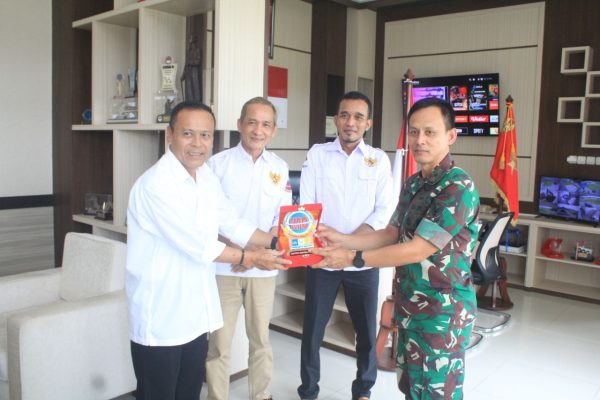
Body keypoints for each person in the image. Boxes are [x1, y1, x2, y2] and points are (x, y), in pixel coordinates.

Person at [312, 97, 481, 399]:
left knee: (435, 393)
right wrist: (342, 239)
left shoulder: (457, 187)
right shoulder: (415, 183)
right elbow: (391, 233)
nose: (419, 140)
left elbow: (418, 249)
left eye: (430, 132)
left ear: (451, 136)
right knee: (411, 389)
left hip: (441, 315)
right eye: (414, 132)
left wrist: (351, 258)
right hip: (411, 308)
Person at [125, 101, 290, 400]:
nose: (197, 144)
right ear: (170, 134)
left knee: (189, 393)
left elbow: (231, 221)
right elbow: (196, 244)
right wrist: (250, 258)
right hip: (161, 318)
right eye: (188, 133)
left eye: (205, 135)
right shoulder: (156, 184)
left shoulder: (205, 177)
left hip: (196, 315)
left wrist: (277, 242)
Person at [297, 91, 395, 400]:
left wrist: (351, 245)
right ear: (336, 120)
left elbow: (383, 212)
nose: (350, 122)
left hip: (362, 259)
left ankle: (363, 390)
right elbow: (307, 206)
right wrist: (328, 246)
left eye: (358, 117)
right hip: (323, 257)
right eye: (344, 115)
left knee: (365, 332)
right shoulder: (318, 154)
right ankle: (308, 391)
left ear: (368, 123)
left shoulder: (379, 160)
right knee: (313, 330)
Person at [205, 97, 291, 400]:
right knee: (219, 344)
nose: (258, 130)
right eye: (252, 122)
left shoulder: (280, 168)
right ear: (240, 124)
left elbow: (281, 221)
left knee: (261, 340)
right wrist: (243, 254)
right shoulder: (217, 164)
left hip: (263, 270)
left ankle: (261, 395)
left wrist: (254, 258)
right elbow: (210, 217)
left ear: (274, 130)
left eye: (266, 124)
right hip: (224, 266)